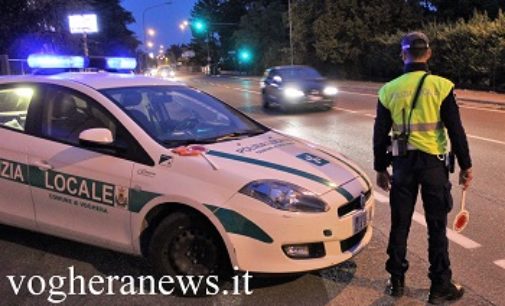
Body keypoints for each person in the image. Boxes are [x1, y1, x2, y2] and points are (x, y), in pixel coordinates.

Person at [373, 31, 473, 304]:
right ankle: (440, 286)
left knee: (399, 224)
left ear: (403, 55)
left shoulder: (389, 90)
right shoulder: (441, 86)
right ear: (428, 53)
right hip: (433, 166)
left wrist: (381, 168)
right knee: (436, 226)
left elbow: (380, 134)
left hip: (402, 165)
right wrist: (466, 165)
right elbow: (456, 130)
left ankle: (395, 282)